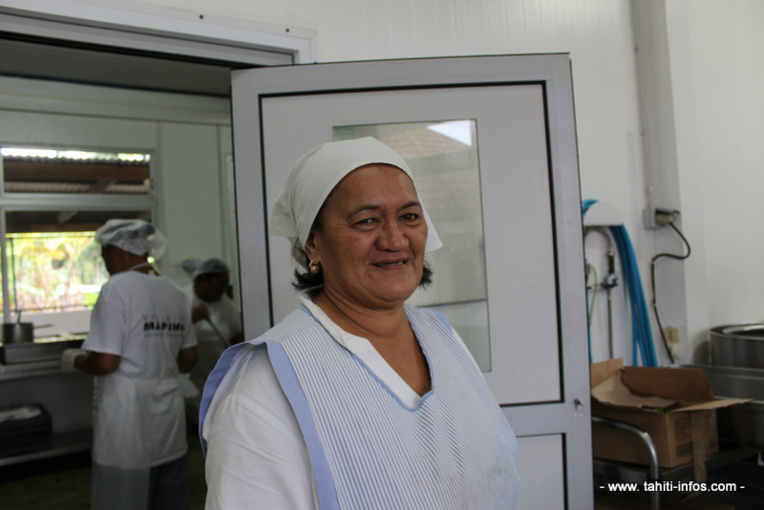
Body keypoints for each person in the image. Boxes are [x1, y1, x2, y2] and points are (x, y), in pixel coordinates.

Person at [200, 137, 519, 509]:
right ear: (312, 244)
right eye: (366, 220)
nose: (395, 239)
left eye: (409, 217)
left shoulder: (443, 338)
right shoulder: (263, 385)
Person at [61, 219, 198, 510]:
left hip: (127, 414)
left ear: (117, 251)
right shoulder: (175, 293)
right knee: (169, 491)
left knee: (123, 495)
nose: (106, 264)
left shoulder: (117, 290)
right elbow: (189, 357)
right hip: (168, 410)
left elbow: (107, 361)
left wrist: (77, 359)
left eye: (104, 256)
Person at [183, 257, 243, 425]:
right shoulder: (183, 299)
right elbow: (171, 337)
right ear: (203, 280)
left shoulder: (226, 304)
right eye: (220, 283)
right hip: (191, 376)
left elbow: (237, 336)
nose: (223, 289)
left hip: (218, 374)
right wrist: (191, 318)